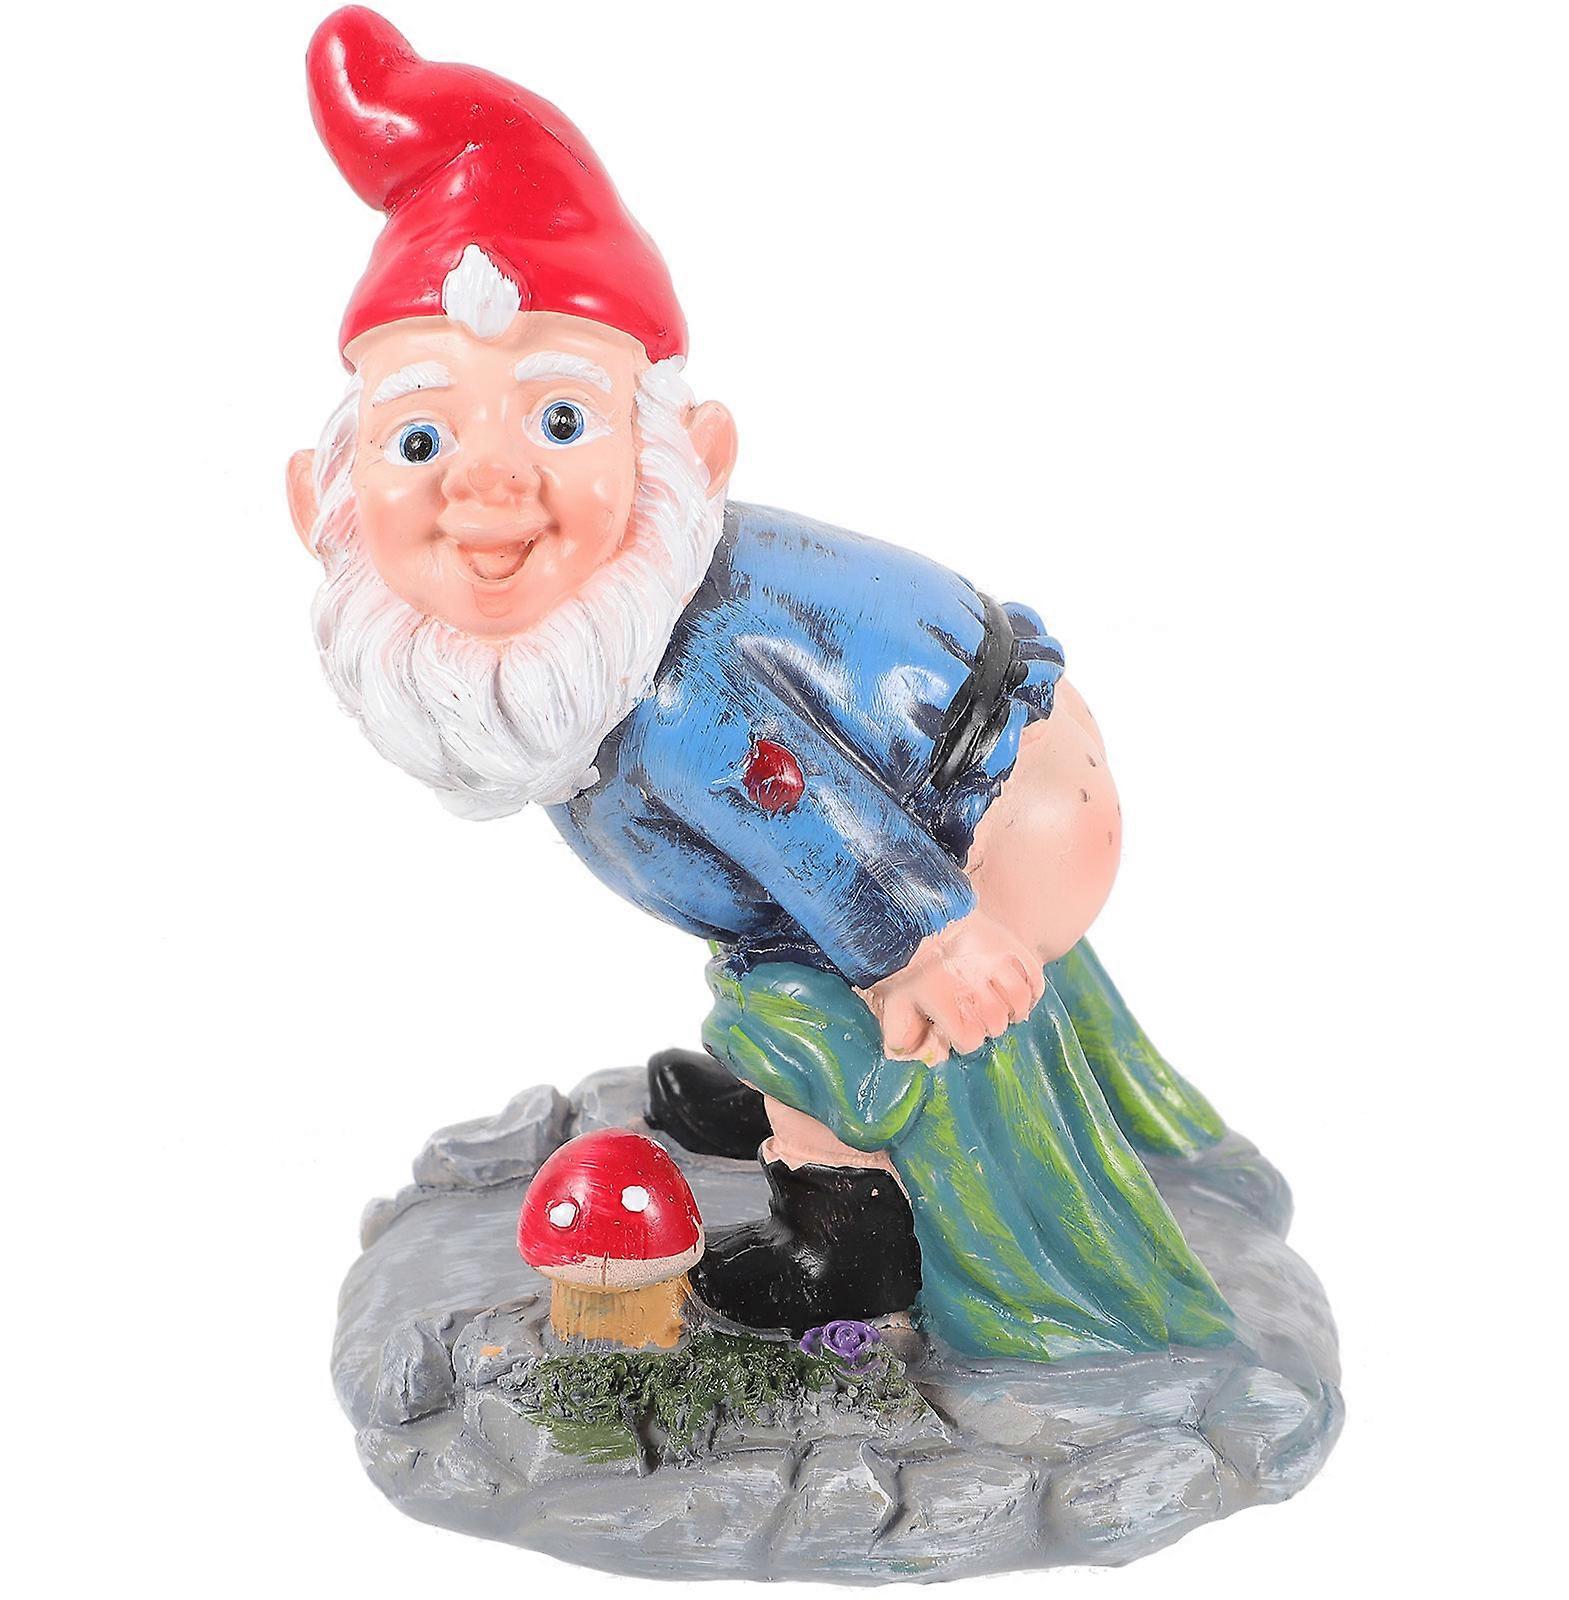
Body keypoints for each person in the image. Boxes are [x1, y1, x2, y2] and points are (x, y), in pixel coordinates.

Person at [289, 8, 1232, 1352]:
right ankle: (794, 1070)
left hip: (983, 830)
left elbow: (809, 822)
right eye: (422, 437)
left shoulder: (681, 689)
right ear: (319, 499)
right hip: (937, 803)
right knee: (791, 954)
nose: (487, 484)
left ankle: (844, 1221)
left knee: (806, 1006)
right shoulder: (586, 650)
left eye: (560, 420)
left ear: (681, 453)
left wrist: (927, 944)